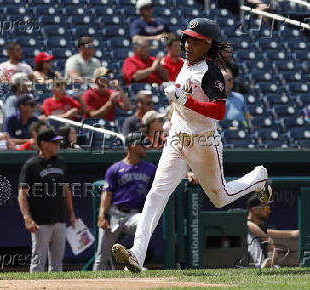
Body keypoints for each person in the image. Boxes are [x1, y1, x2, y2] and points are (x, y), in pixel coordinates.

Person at [111, 18, 273, 273]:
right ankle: (136, 255)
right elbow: (180, 100)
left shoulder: (211, 72)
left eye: (195, 40)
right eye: (187, 38)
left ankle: (258, 177)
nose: (188, 44)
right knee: (156, 194)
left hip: (203, 142)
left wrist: (185, 100)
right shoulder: (187, 63)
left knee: (220, 198)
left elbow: (219, 111)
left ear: (207, 44)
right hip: (177, 140)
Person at [93, 132, 156, 271]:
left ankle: (133, 260)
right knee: (101, 257)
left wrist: (187, 173)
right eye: (142, 145)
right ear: (132, 146)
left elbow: (167, 176)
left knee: (144, 222)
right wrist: (101, 216)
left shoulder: (150, 168)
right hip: (114, 214)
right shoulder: (115, 169)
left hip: (133, 216)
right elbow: (107, 194)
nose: (146, 148)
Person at [18, 128, 77, 272]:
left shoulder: (60, 163)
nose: (58, 145)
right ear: (43, 143)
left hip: (59, 219)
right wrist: (27, 218)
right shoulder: (31, 165)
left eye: (58, 142)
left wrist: (71, 213)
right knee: (38, 263)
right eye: (54, 142)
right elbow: (22, 194)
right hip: (40, 221)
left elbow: (66, 190)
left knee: (57, 265)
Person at [246, 194, 299, 268]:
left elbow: (290, 234)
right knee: (250, 236)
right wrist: (268, 240)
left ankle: (263, 264)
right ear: (255, 210)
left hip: (259, 262)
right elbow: (248, 225)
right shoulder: (245, 224)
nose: (269, 210)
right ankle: (260, 264)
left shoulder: (261, 228)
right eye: (266, 208)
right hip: (244, 260)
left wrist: (271, 256)